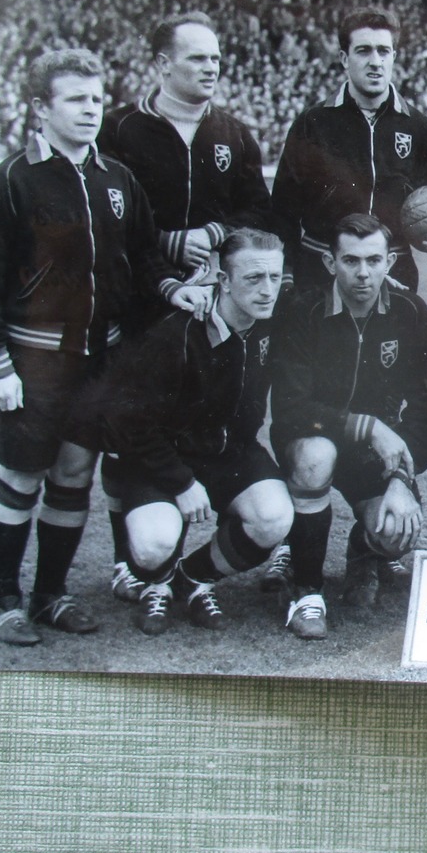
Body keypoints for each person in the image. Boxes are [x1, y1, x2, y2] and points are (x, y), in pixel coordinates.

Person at [0, 48, 208, 645]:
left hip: (101, 362)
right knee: (21, 477)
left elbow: (142, 256)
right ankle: (2, 604)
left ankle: (49, 596)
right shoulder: (9, 182)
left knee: (73, 476)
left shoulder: (115, 179)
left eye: (96, 98)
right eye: (75, 99)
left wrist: (171, 287)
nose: (91, 109)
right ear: (40, 108)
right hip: (32, 360)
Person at [97, 10, 272, 603]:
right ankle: (131, 560)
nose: (212, 66)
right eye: (197, 56)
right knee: (130, 421)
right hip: (142, 300)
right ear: (162, 64)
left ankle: (189, 562)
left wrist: (218, 232)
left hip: (212, 301)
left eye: (216, 57)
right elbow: (109, 218)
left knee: (202, 407)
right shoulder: (121, 131)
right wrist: (169, 241)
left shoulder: (233, 133)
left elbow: (258, 214)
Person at [93, 229, 292, 636]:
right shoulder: (177, 333)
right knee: (153, 544)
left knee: (274, 518)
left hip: (229, 455)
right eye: (254, 278)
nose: (267, 289)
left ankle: (191, 579)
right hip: (165, 460)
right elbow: (126, 421)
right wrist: (181, 482)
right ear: (223, 281)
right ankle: (158, 582)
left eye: (274, 277)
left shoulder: (272, 324)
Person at [266, 214, 427, 638]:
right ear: (330, 263)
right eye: (350, 261)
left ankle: (364, 556)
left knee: (398, 530)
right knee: (316, 457)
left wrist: (402, 478)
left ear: (390, 261)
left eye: (373, 260)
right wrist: (368, 427)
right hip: (312, 437)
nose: (363, 273)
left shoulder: (411, 312)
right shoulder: (302, 310)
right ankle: (307, 592)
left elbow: (424, 410)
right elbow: (289, 407)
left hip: (372, 454)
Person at [270, 6, 427, 295]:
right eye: (364, 51)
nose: (375, 62)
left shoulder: (419, 128)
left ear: (394, 56)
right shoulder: (313, 124)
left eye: (384, 51)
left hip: (395, 271)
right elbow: (281, 212)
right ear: (345, 59)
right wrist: (285, 278)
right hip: (320, 272)